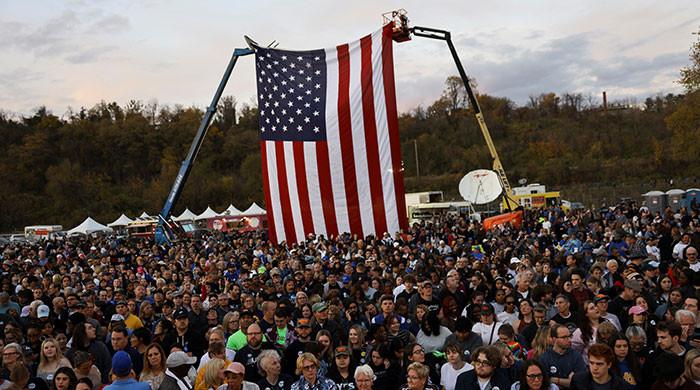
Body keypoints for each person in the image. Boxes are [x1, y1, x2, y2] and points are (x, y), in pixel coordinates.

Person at [538, 324, 586, 389]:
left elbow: (580, 382)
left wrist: (555, 380)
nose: (569, 340)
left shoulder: (576, 356)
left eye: (569, 336)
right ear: (554, 339)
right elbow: (543, 382)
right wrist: (567, 381)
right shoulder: (544, 358)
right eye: (564, 337)